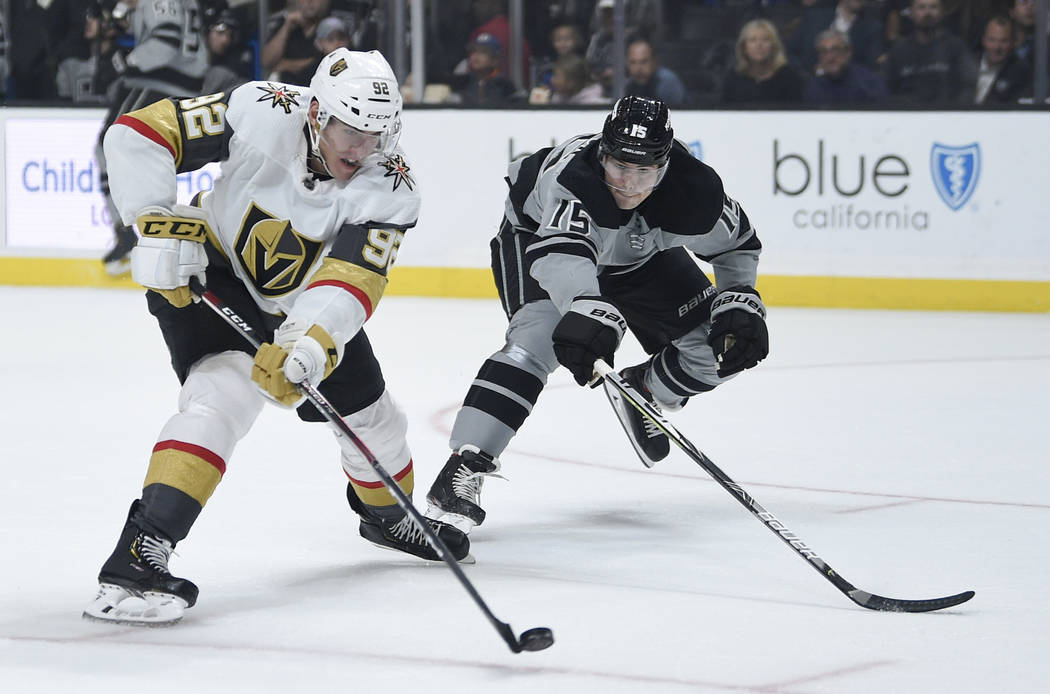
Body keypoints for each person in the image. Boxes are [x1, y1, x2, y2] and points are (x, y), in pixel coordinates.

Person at [82, 49, 470, 627]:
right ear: (316, 112)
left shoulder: (392, 185)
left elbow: (353, 278)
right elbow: (140, 132)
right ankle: (140, 551)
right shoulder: (259, 108)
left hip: (305, 303)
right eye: (350, 129)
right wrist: (155, 222)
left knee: (377, 420)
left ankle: (388, 516)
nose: (361, 148)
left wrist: (308, 346)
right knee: (223, 396)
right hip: (211, 271)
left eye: (376, 133)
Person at [411, 96, 768, 540]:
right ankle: (465, 467)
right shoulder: (574, 181)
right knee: (535, 344)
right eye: (619, 166)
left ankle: (643, 391)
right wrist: (586, 306)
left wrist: (737, 296)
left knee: (719, 351)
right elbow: (563, 255)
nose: (628, 184)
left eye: (644, 172)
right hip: (537, 242)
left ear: (665, 166)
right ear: (602, 152)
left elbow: (737, 244)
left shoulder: (693, 192)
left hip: (640, 257)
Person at [97, 0, 208, 276]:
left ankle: (132, 235)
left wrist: (122, 61)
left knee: (109, 146)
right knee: (150, 158)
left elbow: (164, 43)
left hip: (161, 81)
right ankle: (160, 238)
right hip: (178, 81)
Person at [884, 0, 978, 104]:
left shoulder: (956, 48)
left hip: (948, 114)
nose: (927, 13)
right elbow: (886, 90)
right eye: (921, 7)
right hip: (907, 115)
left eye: (933, 7)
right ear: (911, 13)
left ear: (942, 12)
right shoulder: (899, 51)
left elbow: (968, 87)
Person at [721, 18, 807, 105]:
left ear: (774, 46)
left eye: (765, 40)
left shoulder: (789, 78)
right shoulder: (733, 78)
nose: (759, 45)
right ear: (744, 48)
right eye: (753, 40)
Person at [788, 0, 885, 72]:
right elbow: (790, 52)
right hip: (807, 83)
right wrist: (805, 73)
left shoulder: (872, 28)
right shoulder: (813, 17)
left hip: (847, 91)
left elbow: (870, 66)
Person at [804, 29, 889, 104]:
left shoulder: (869, 83)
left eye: (835, 50)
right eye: (823, 51)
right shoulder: (814, 86)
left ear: (848, 53)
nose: (829, 57)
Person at [261, 0, 330, 85]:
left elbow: (326, 63)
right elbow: (267, 61)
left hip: (318, 89)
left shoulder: (331, 26)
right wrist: (287, 26)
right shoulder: (286, 24)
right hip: (287, 90)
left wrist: (286, 65)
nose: (309, 2)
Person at [974, 14, 1032, 103]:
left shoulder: (1021, 72)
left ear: (1013, 43)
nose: (997, 47)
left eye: (1003, 41)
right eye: (992, 40)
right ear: (983, 40)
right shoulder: (968, 63)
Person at [450, 32, 520, 105]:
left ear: (495, 60)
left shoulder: (505, 85)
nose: (475, 56)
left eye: (483, 52)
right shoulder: (463, 82)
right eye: (473, 51)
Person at [623, 36, 688, 106]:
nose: (638, 68)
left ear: (654, 61)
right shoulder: (627, 85)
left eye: (644, 62)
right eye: (633, 62)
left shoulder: (669, 83)